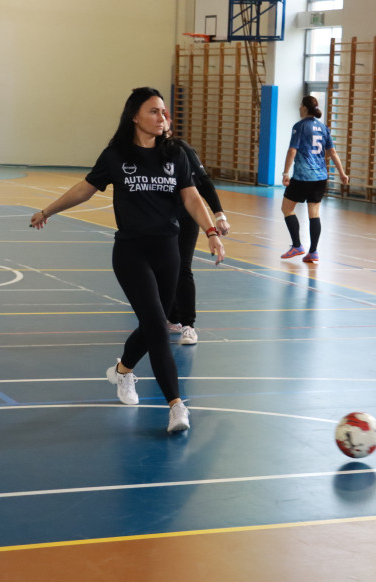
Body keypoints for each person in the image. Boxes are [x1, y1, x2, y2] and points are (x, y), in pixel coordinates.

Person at [29, 87, 224, 433]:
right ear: (135, 116)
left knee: (156, 323)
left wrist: (210, 230)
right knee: (157, 327)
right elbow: (85, 188)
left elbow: (192, 197)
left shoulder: (175, 153)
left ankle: (122, 371)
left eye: (164, 112)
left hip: (169, 251)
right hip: (131, 252)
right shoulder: (117, 154)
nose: (162, 117)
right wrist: (48, 210)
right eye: (154, 111)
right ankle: (176, 406)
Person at [162, 112, 231, 346]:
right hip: (159, 218)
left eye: (162, 117)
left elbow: (204, 183)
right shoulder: (143, 152)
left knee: (182, 267)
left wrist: (218, 216)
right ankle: (172, 317)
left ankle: (188, 325)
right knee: (161, 267)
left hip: (186, 216)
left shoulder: (182, 149)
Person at [279, 95, 349, 263]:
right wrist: (342, 173)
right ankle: (313, 251)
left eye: (300, 105)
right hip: (320, 178)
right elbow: (332, 153)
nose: (298, 108)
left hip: (303, 177)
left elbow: (292, 151)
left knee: (287, 209)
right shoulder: (324, 128)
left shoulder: (300, 126)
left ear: (304, 108)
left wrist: (285, 173)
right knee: (314, 213)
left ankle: (297, 245)